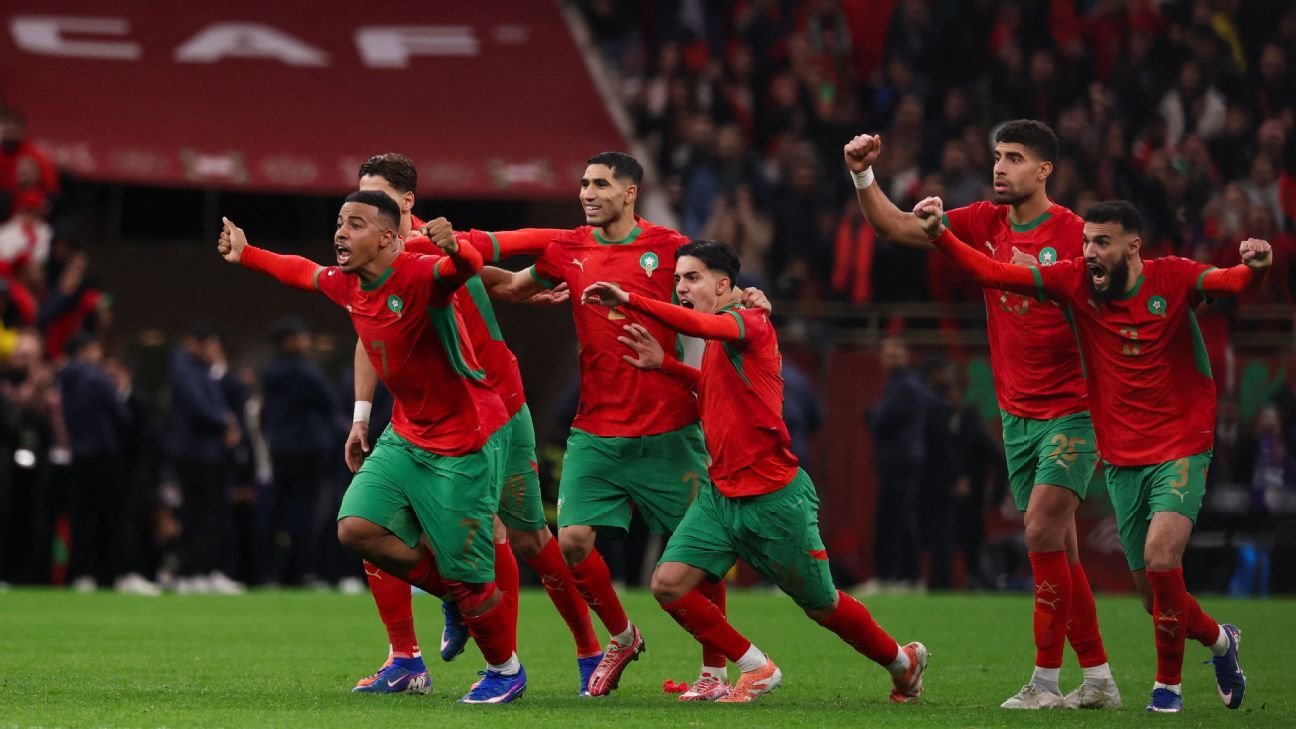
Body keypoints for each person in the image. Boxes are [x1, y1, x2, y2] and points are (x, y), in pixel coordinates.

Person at [915, 196, 1259, 714]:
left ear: (1132, 247)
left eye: (1101, 242)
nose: (1089, 251)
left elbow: (1227, 282)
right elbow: (989, 271)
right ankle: (1220, 642)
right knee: (1153, 598)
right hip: (1122, 455)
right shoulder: (1074, 281)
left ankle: (1167, 689)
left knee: (1162, 558)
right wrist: (941, 233)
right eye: (1085, 242)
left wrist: (1253, 265)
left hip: (1183, 444)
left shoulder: (1172, 277)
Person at [467, 152, 767, 698]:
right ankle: (622, 635)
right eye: (583, 183)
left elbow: (717, 286)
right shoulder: (568, 248)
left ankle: (714, 673)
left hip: (669, 428)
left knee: (696, 554)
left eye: (601, 184)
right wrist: (453, 262)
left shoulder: (668, 246)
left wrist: (749, 298)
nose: (588, 192)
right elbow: (512, 286)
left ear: (630, 192)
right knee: (574, 541)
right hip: (596, 429)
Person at [844, 120, 1117, 708]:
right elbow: (892, 225)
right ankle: (1098, 680)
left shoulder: (1074, 234)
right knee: (1062, 553)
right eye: (997, 155)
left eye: (1014, 158)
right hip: (1016, 415)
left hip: (1074, 410)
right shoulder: (984, 221)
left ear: (1044, 171)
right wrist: (862, 172)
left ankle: (1045, 683)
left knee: (1041, 530)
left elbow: (1113, 297)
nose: (999, 167)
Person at [582, 240, 928, 704]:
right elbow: (716, 389)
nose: (681, 287)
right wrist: (665, 364)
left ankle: (902, 663)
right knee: (668, 584)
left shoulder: (749, 322)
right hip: (721, 494)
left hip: (772, 496)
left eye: (692, 278)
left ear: (723, 285)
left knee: (822, 605)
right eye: (678, 279)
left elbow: (700, 322)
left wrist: (630, 299)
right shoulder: (721, 333)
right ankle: (755, 666)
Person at [216, 192, 527, 704]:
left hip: (464, 439)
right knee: (356, 528)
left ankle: (505, 669)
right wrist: (248, 253)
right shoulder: (349, 284)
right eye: (339, 223)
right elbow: (300, 272)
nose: (340, 233)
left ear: (388, 237)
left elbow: (465, 269)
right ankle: (452, 598)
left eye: (354, 224)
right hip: (407, 435)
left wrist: (459, 250)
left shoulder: (422, 274)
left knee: (473, 578)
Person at [347, 154, 601, 696]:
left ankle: (587, 648)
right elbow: (368, 332)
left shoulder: (435, 246)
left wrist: (563, 256)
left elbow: (501, 271)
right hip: (420, 417)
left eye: (376, 199)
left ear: (407, 204)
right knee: (375, 523)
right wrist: (362, 415)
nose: (362, 210)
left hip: (494, 410)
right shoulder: (375, 260)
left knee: (523, 534)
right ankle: (407, 659)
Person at [260, 316, 339, 586]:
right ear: (289, 341)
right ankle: (302, 571)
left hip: (280, 449)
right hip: (309, 450)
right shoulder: (306, 371)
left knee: (276, 513)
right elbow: (329, 401)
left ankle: (271, 572)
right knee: (307, 514)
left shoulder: (269, 371)